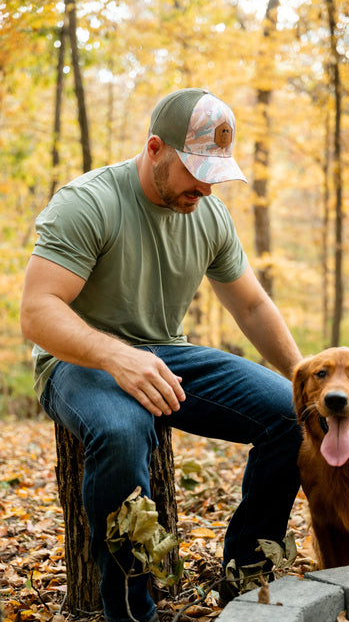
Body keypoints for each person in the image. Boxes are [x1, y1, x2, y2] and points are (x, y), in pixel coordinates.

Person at [20, 88, 303, 622]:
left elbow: (251, 305)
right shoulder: (88, 201)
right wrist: (114, 357)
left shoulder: (208, 214)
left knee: (291, 414)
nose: (207, 184)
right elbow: (37, 312)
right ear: (155, 149)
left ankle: (246, 581)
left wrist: (306, 379)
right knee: (124, 432)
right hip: (76, 361)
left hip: (167, 352)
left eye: (216, 170)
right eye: (196, 168)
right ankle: (130, 611)